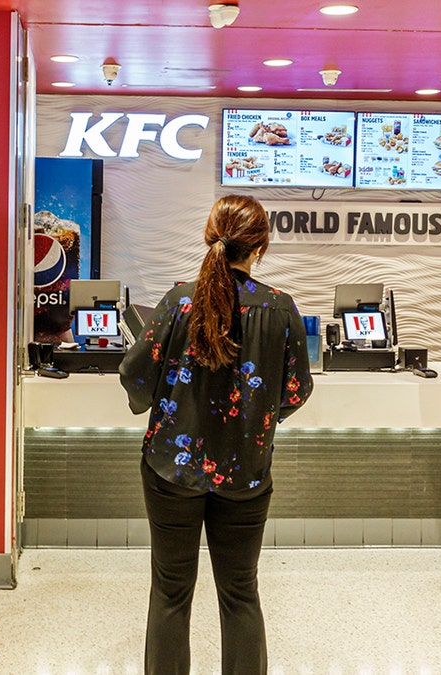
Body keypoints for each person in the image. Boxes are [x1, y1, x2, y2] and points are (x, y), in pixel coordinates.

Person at [119, 195, 313, 674]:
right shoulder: (280, 308)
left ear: (211, 237)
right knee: (241, 593)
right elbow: (295, 390)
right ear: (260, 245)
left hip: (170, 470)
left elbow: (135, 374)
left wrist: (154, 405)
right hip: (246, 473)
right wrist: (256, 422)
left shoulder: (178, 301)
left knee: (169, 593)